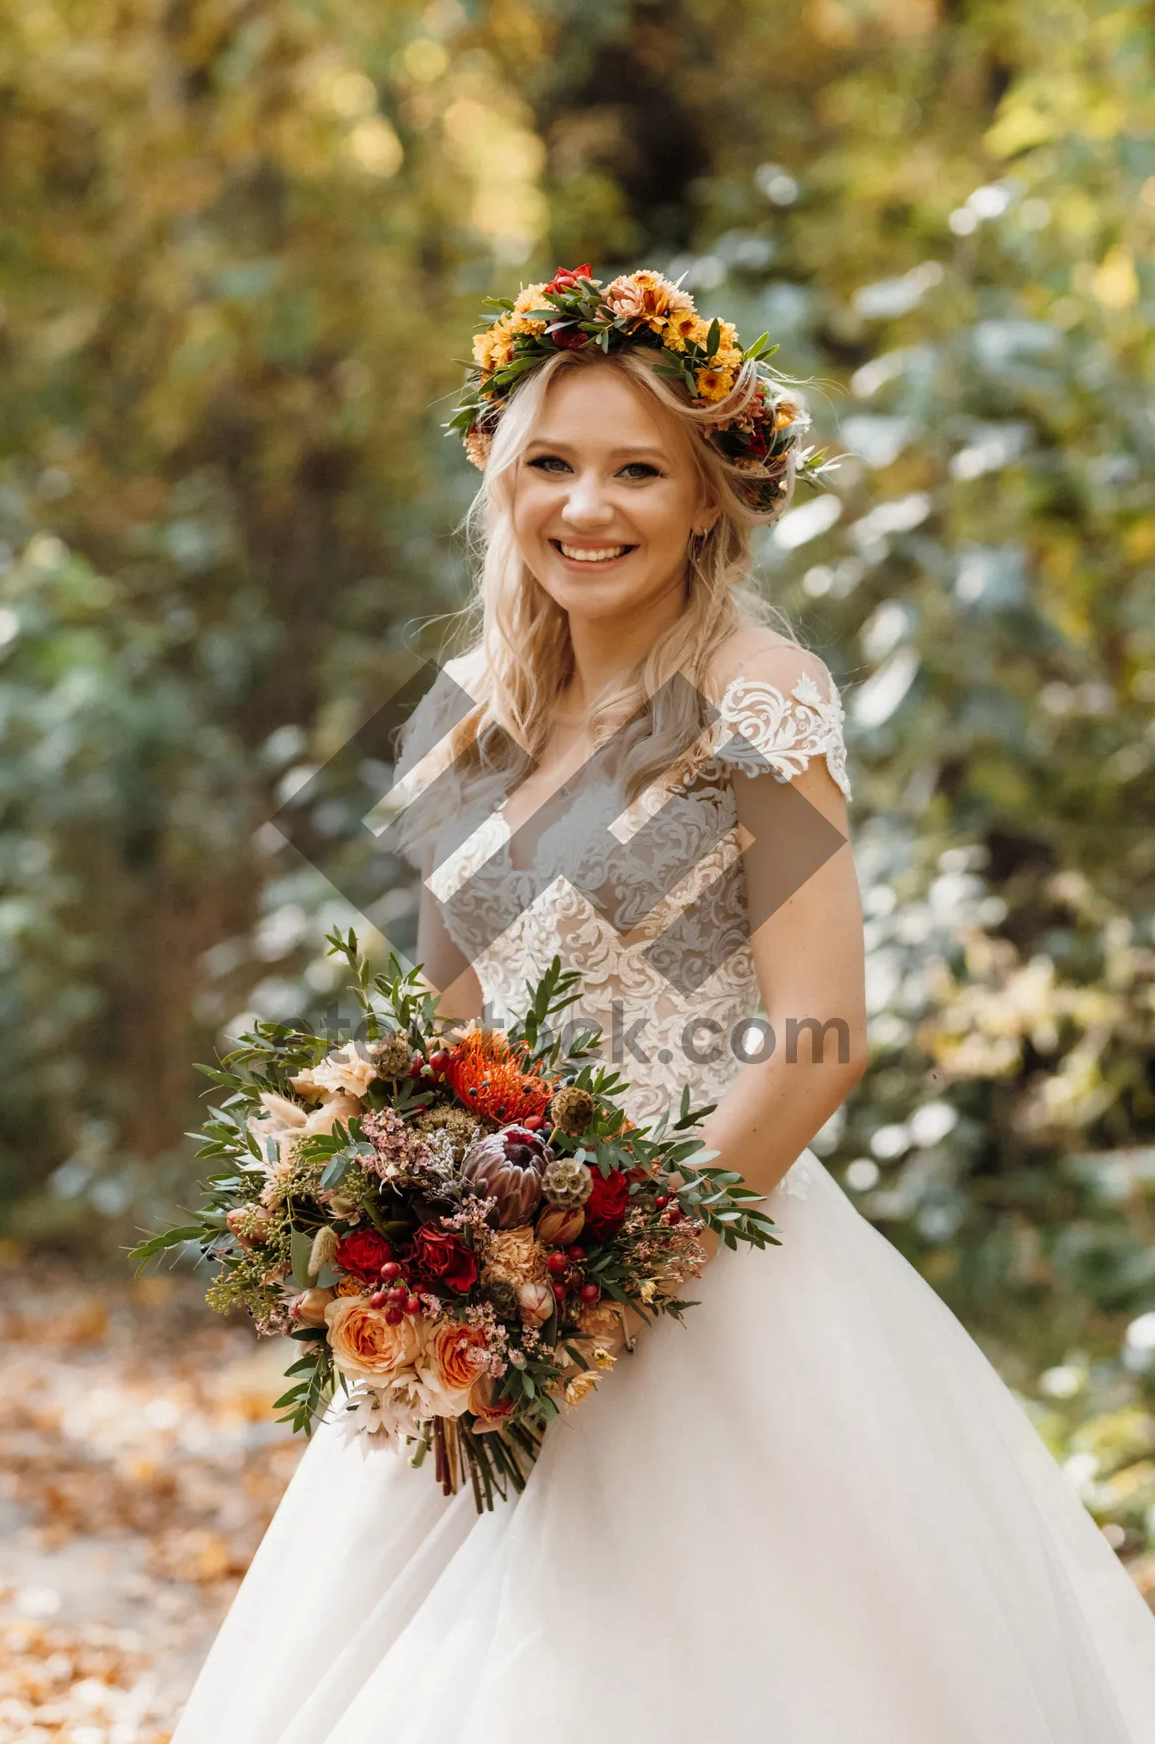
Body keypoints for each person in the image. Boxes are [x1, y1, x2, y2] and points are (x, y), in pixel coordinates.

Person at [171, 267, 1155, 1742]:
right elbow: (455, 1020)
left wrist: (619, 1280)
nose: (588, 507)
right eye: (550, 465)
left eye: (640, 470)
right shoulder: (462, 715)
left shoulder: (762, 697)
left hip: (709, 1250)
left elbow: (823, 1031)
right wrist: (404, 1210)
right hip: (496, 1265)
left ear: (710, 500)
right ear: (501, 482)